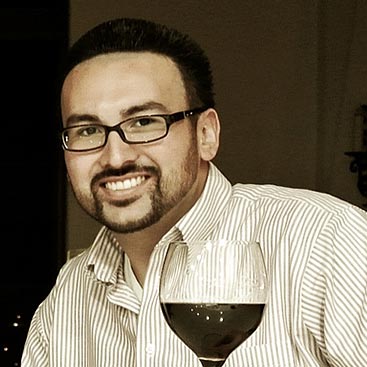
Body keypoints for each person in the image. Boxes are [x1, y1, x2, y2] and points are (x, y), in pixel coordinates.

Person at [21, 17, 367, 367]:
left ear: (206, 134)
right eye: (87, 130)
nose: (115, 156)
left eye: (144, 122)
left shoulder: (327, 244)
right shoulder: (66, 300)